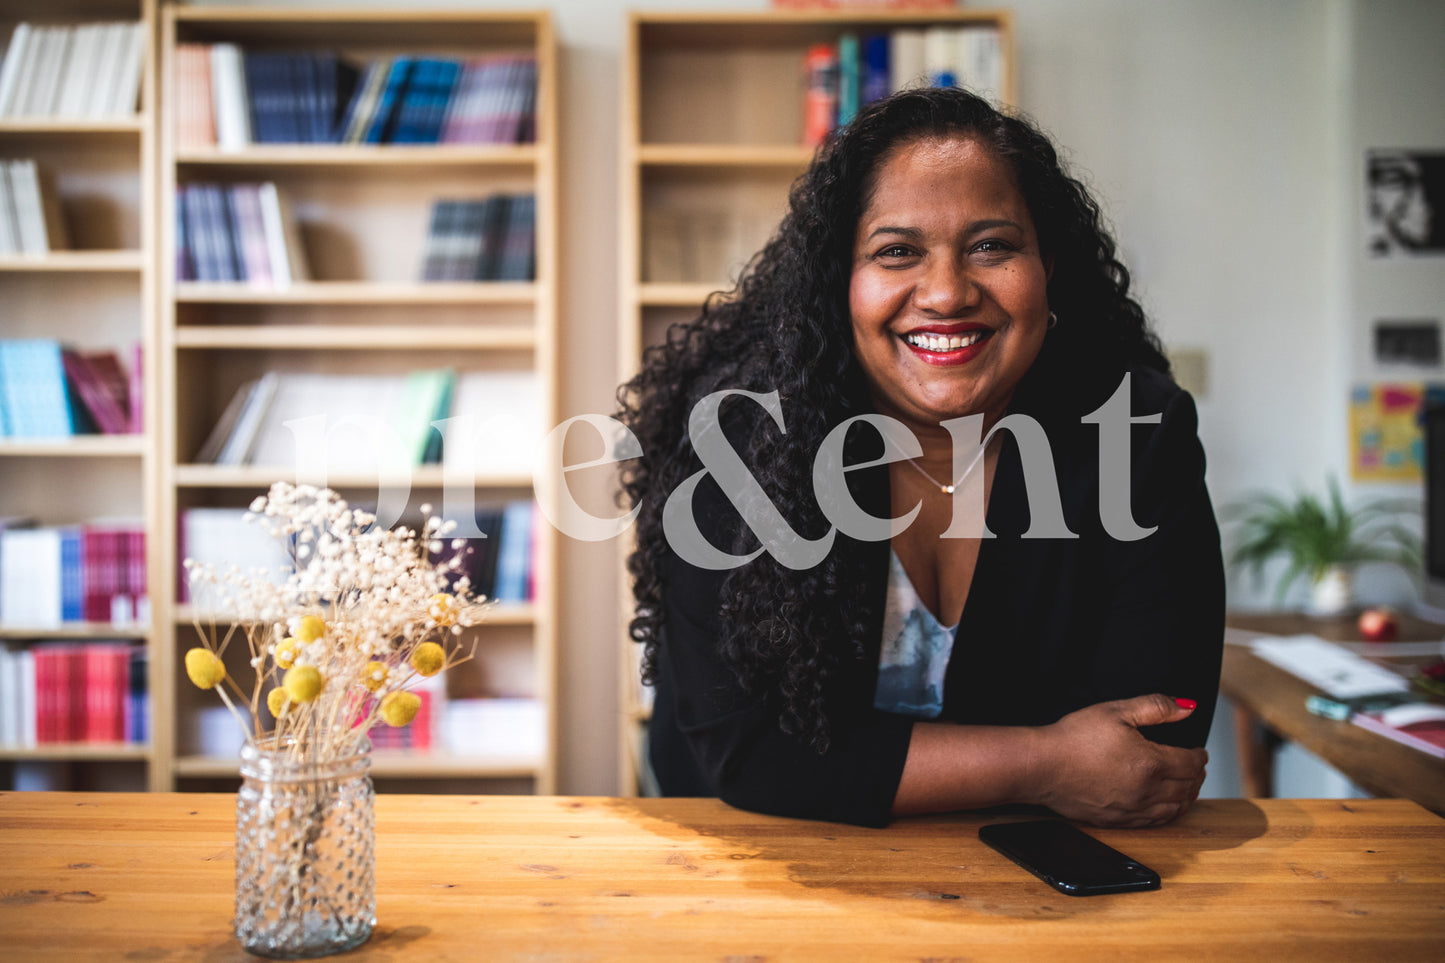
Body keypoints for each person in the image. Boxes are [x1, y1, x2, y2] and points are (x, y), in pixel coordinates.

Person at [617, 86, 1224, 829]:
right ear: (836, 284)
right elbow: (752, 752)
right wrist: (1045, 760)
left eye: (991, 245)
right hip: (755, 861)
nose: (945, 292)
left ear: (1049, 268)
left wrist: (1062, 766)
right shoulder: (740, 440)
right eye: (896, 251)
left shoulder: (1136, 432)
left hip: (1031, 880)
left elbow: (1150, 750)